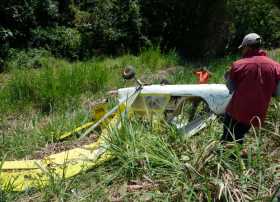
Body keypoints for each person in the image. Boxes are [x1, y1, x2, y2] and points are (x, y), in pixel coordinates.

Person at [222, 33, 280, 144]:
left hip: (236, 112)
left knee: (228, 140)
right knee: (239, 136)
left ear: (247, 47)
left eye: (243, 48)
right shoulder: (276, 66)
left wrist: (227, 75)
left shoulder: (238, 65)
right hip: (257, 115)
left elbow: (231, 88)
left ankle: (229, 159)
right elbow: (277, 93)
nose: (242, 51)